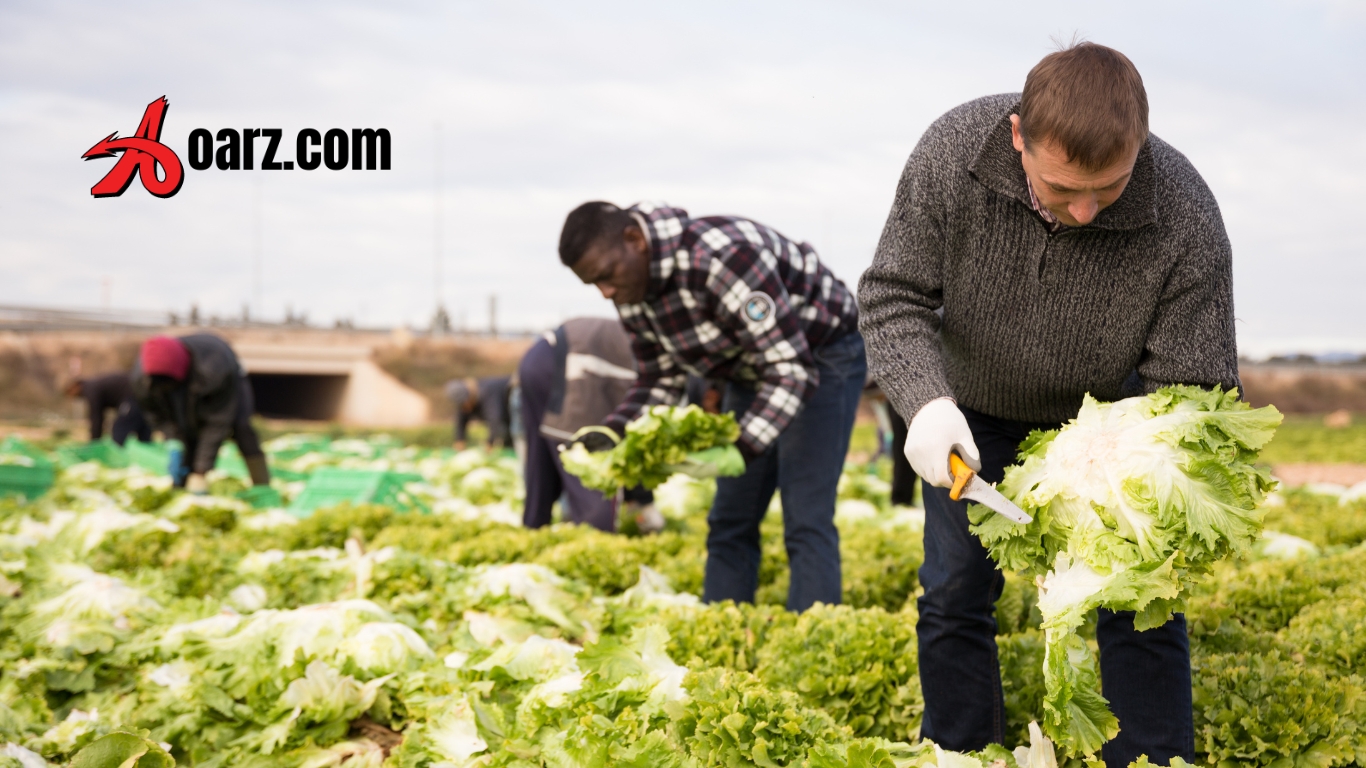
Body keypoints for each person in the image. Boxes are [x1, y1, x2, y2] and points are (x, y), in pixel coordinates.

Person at [858, 42, 1237, 766]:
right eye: (1064, 188)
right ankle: (962, 753)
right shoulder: (951, 154)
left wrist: (1138, 464)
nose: (1087, 209)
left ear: (1141, 143)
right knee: (955, 589)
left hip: (1109, 426)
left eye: (1111, 185)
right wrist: (925, 402)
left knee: (1138, 599)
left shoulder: (1185, 212)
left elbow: (1196, 382)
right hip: (971, 413)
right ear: (1017, 138)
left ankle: (1154, 759)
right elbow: (893, 293)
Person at [559, 200, 864, 612]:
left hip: (824, 355)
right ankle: (722, 630)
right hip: (748, 368)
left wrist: (741, 447)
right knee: (730, 517)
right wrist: (613, 431)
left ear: (634, 240)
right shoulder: (631, 289)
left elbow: (791, 369)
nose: (606, 293)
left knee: (805, 514)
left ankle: (814, 631)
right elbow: (659, 378)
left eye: (607, 276)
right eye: (594, 284)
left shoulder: (721, 259)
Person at [518, 317, 641, 531]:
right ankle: (595, 538)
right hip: (568, 363)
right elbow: (637, 432)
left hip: (536, 359)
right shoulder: (672, 366)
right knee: (589, 469)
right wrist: (642, 498)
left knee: (542, 463)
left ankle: (533, 529)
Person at [130, 334, 271, 493]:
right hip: (183, 382)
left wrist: (201, 471)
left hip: (229, 383)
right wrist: (173, 440)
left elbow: (217, 423)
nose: (168, 389)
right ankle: (181, 486)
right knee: (185, 434)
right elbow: (155, 414)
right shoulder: (143, 380)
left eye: (170, 385)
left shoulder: (214, 369)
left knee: (242, 428)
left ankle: (262, 485)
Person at [64, 373, 150, 445]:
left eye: (70, 392)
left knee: (119, 430)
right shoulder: (92, 386)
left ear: (75, 386)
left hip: (131, 396)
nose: (72, 397)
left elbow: (96, 418)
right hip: (138, 394)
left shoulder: (90, 390)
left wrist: (94, 443)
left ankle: (118, 459)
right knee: (143, 431)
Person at [445, 376, 512, 451]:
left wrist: (490, 442)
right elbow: (461, 419)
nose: (465, 407)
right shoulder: (464, 401)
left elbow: (495, 421)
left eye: (465, 403)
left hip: (512, 412)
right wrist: (460, 439)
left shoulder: (485, 393)